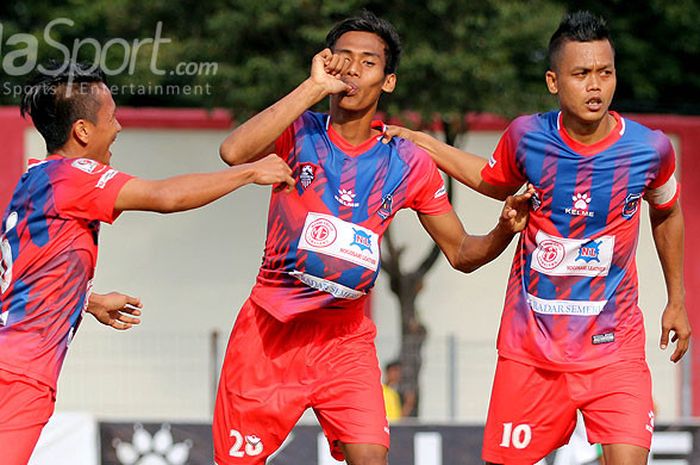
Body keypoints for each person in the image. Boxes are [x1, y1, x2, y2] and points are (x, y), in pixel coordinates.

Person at [214, 11, 532, 465]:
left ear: (388, 82)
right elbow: (233, 152)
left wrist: (503, 229)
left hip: (346, 342)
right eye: (342, 59)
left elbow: (462, 252)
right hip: (269, 335)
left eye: (367, 63)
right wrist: (311, 88)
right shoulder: (297, 131)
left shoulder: (407, 161)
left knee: (371, 456)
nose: (352, 71)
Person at [384, 10, 690, 465]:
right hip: (533, 350)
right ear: (553, 81)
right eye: (581, 74)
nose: (595, 86)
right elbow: (492, 180)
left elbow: (667, 213)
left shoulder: (650, 149)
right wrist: (425, 144)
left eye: (604, 73)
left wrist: (676, 300)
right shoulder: (527, 136)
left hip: (614, 349)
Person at [0, 62, 295, 465]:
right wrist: (249, 172)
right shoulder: (75, 177)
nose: (118, 127)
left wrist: (84, 299)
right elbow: (164, 197)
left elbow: (22, 271)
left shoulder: (36, 179)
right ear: (83, 131)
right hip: (18, 376)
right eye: (111, 117)